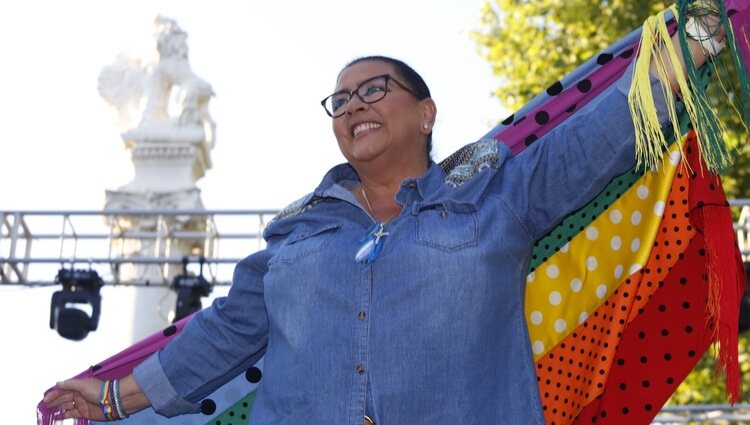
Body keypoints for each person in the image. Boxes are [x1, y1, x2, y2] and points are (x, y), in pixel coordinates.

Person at [43, 7, 729, 425]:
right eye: (339, 101)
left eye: (375, 89)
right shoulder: (296, 234)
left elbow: (597, 140)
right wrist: (108, 400)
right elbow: (219, 338)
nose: (353, 106)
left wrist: (697, 41)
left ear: (425, 113)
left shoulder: (499, 194)